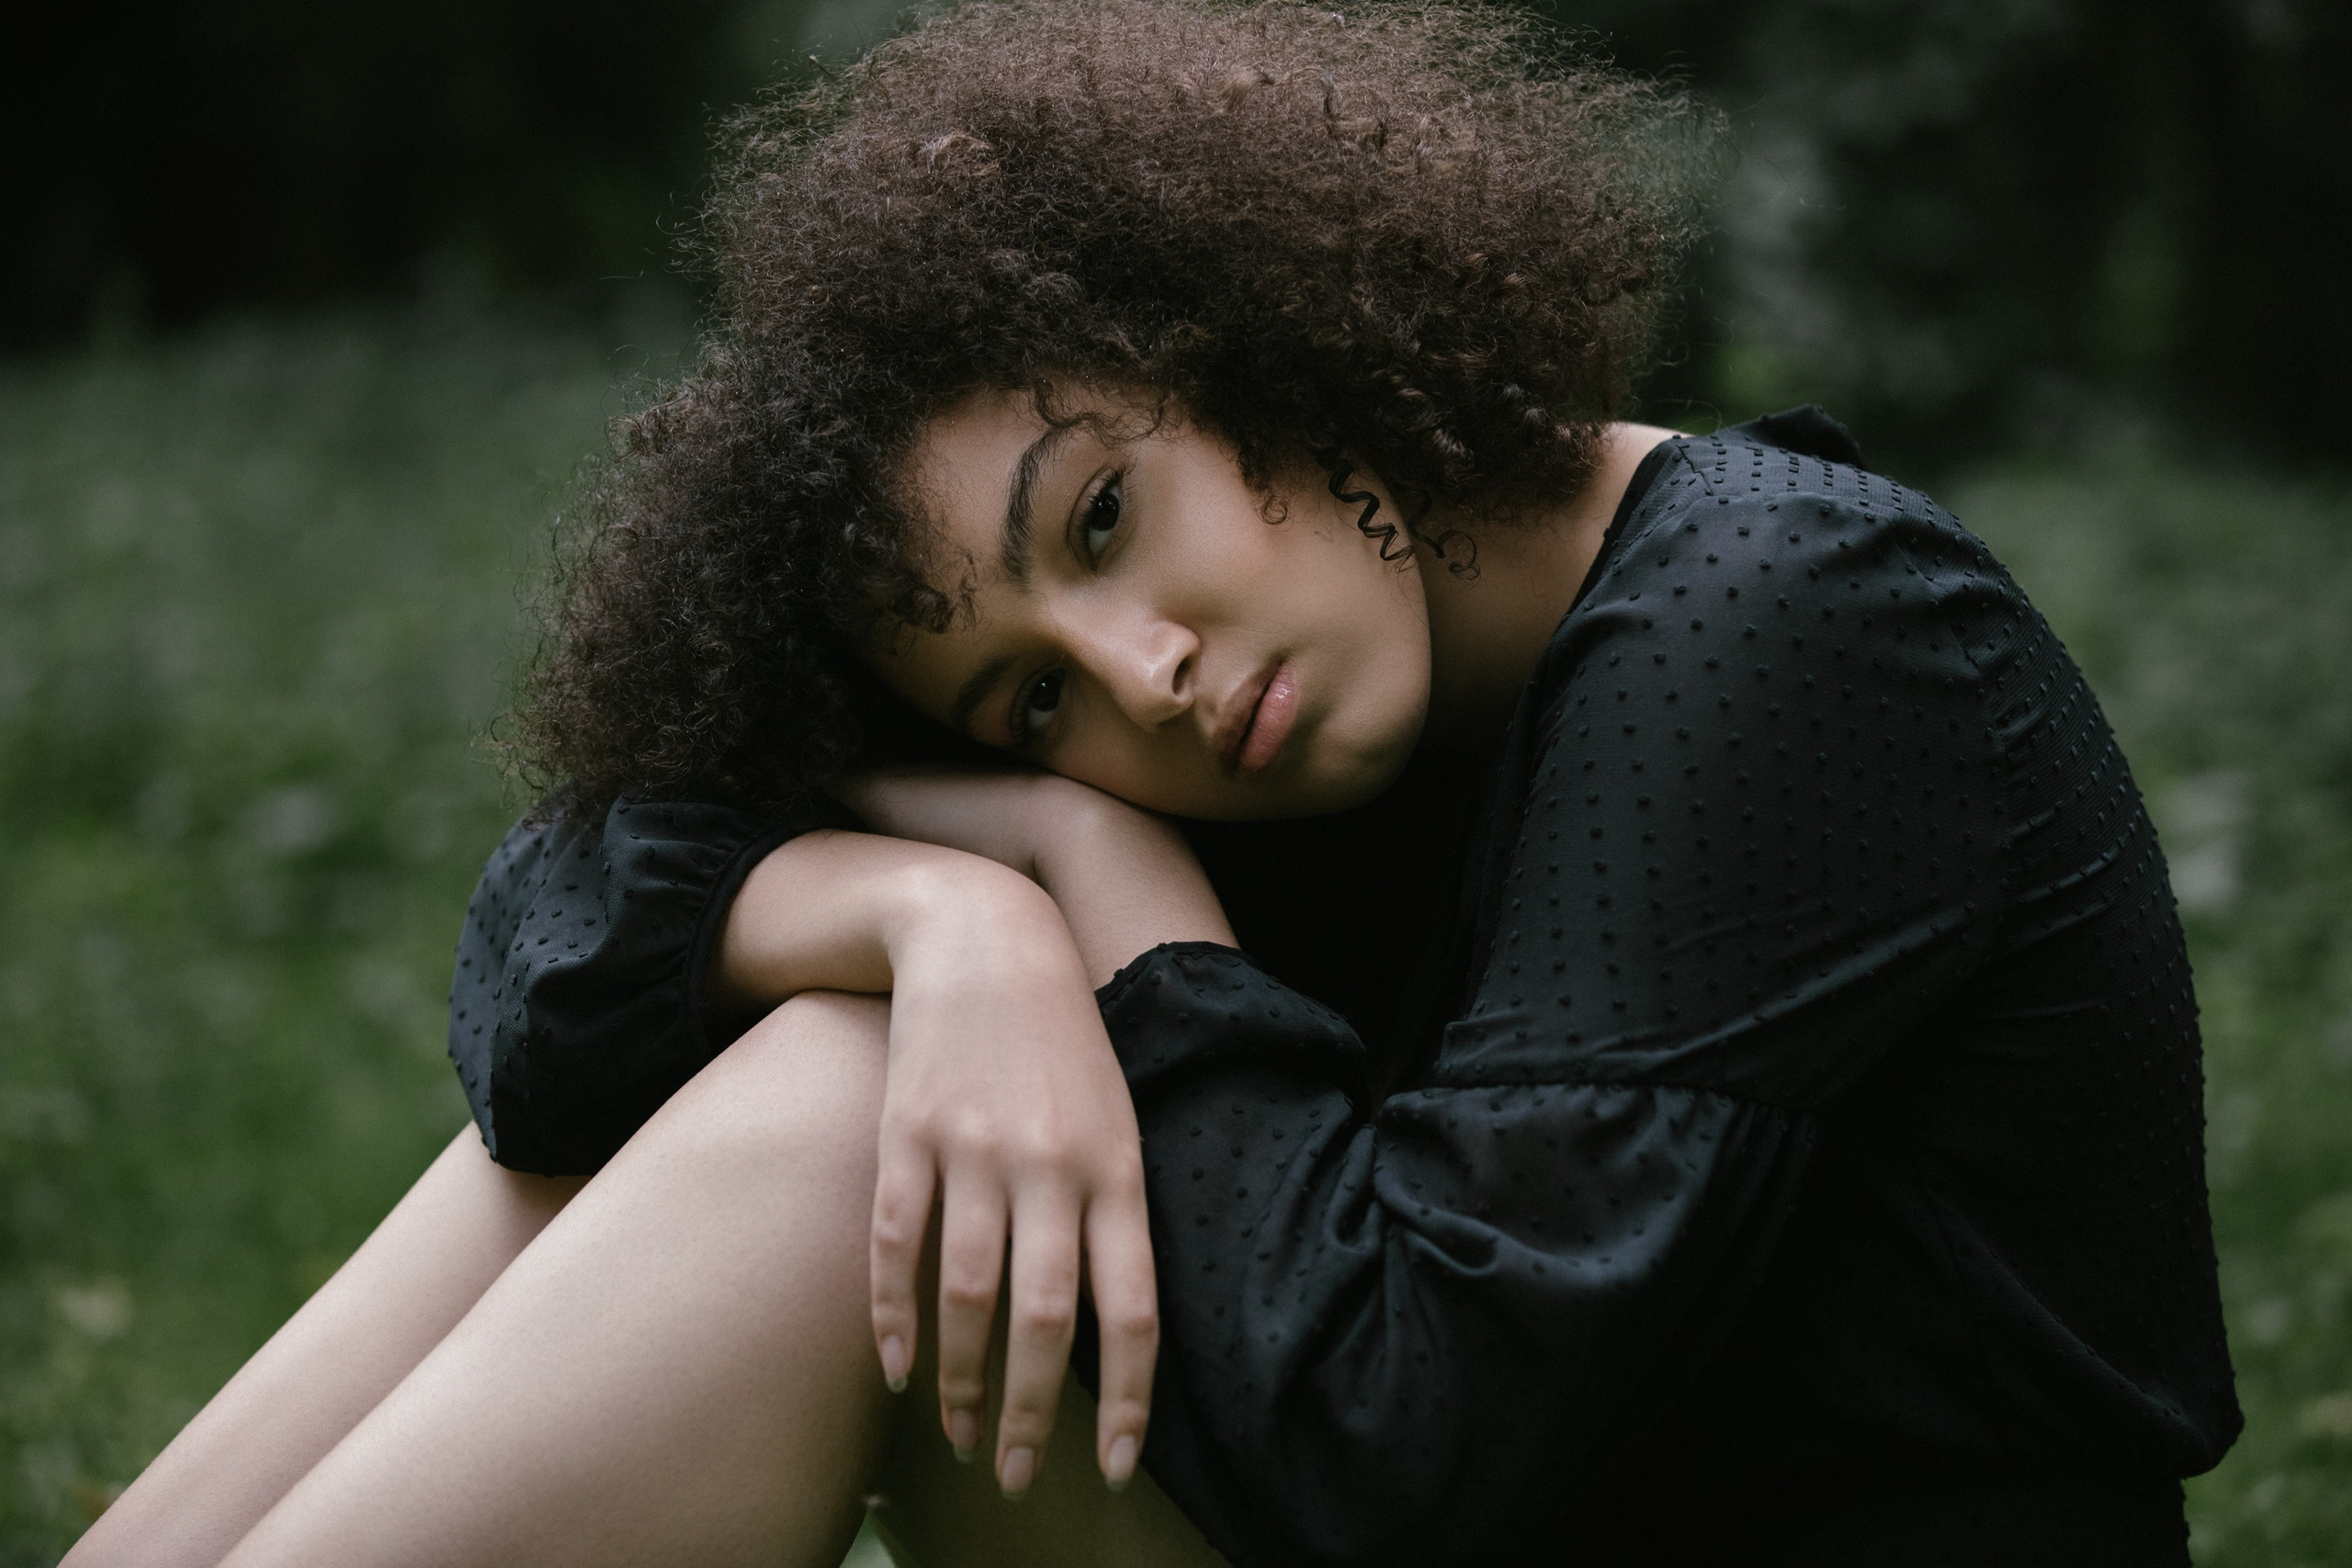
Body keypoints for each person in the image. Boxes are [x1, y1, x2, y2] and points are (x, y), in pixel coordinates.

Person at [66, 2, 2241, 1564]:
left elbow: (1390, 1450)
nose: (1140, 684)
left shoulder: (1777, 622)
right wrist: (963, 897)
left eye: (1099, 517)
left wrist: (1117, 907)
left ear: (1250, 331)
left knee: (844, 1127)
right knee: (845, 1042)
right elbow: (555, 986)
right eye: (1021, 704)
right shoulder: (1187, 761)